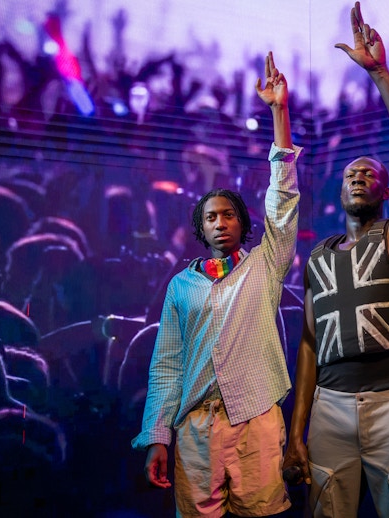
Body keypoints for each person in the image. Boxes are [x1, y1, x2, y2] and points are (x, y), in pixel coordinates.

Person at [283, 2, 389, 516]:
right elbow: (308, 343)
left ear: (388, 191)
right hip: (327, 407)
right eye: (351, 172)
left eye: (370, 173)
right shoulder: (320, 256)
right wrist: (295, 432)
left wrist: (380, 74)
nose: (357, 176)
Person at [131, 52, 301, 518]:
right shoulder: (181, 287)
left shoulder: (264, 267)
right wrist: (158, 438)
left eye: (228, 215)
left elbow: (282, 205)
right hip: (196, 431)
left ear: (242, 223)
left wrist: (278, 113)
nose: (220, 223)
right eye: (211, 217)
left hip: (256, 421)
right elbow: (166, 366)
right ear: (200, 229)